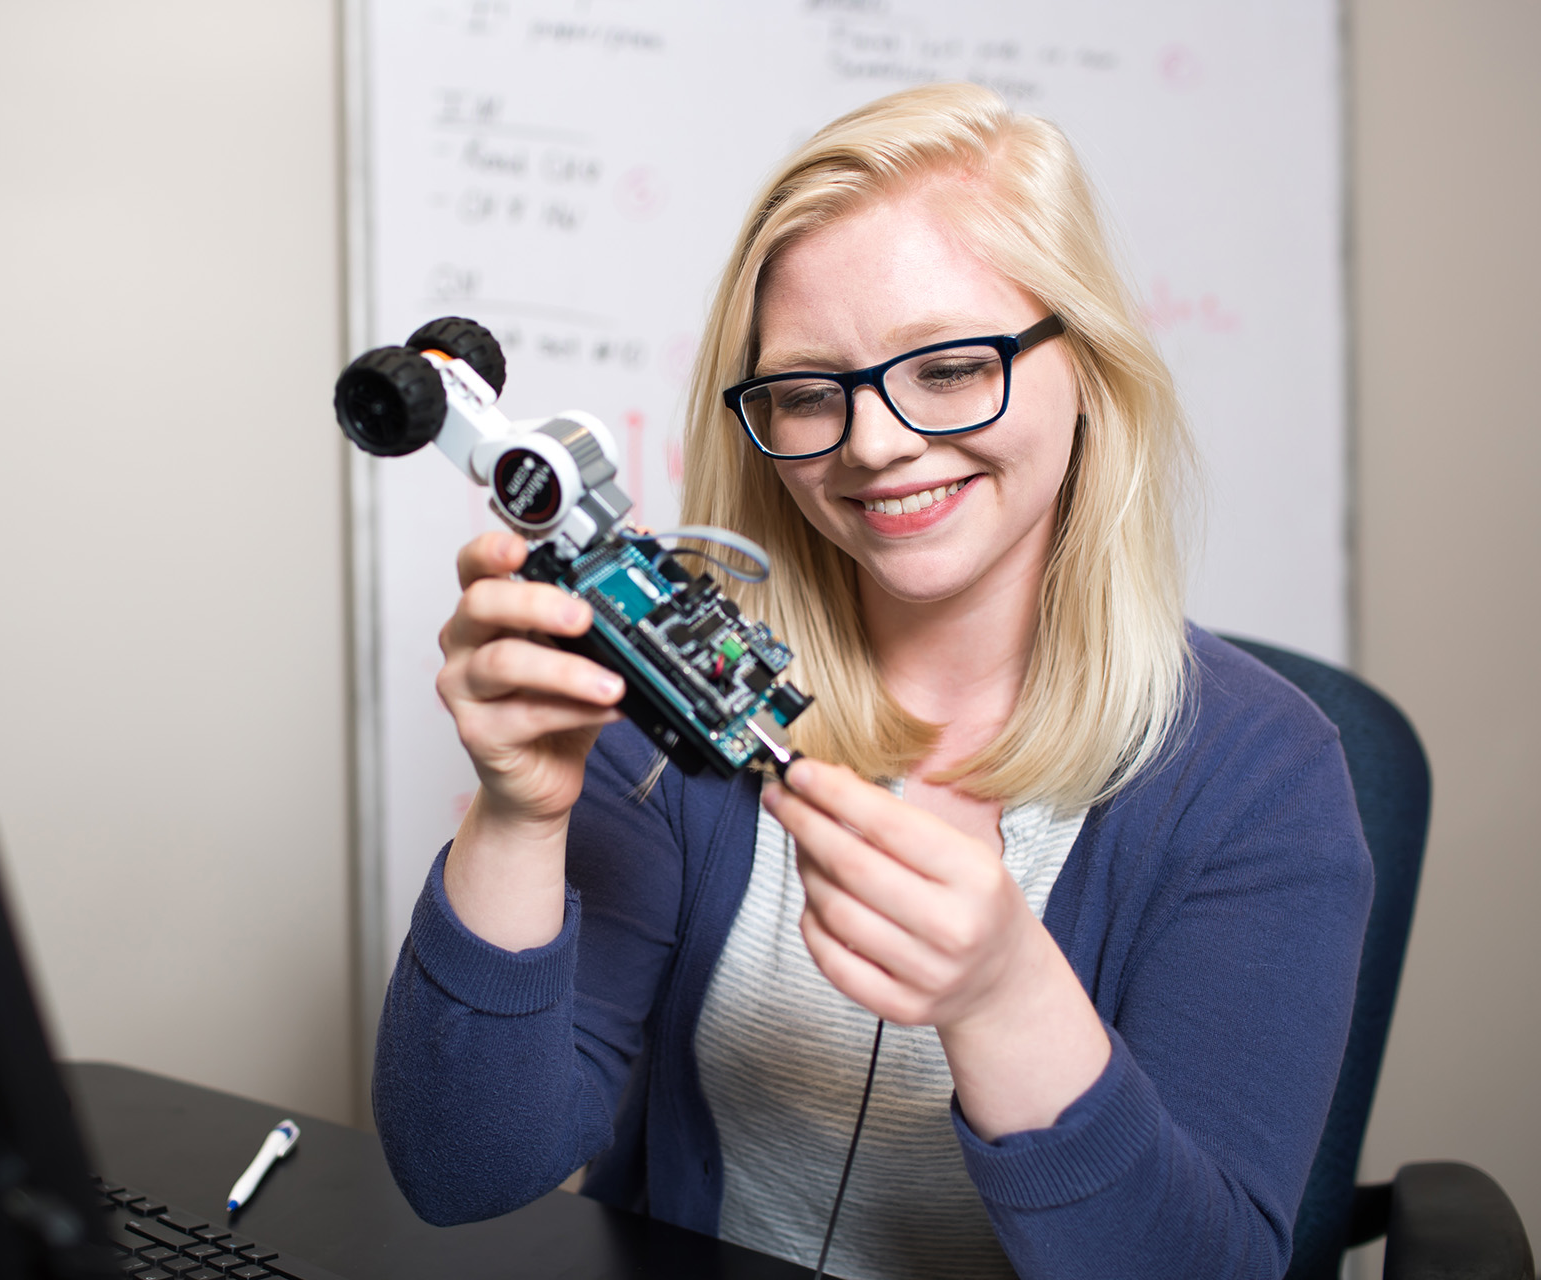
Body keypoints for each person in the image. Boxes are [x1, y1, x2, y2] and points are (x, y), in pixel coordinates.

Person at [371, 83, 1372, 1280]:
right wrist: (519, 814)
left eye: (949, 367)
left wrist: (1004, 998)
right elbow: (461, 1169)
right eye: (808, 391)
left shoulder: (1263, 780)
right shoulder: (673, 709)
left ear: (1091, 368)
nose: (875, 443)